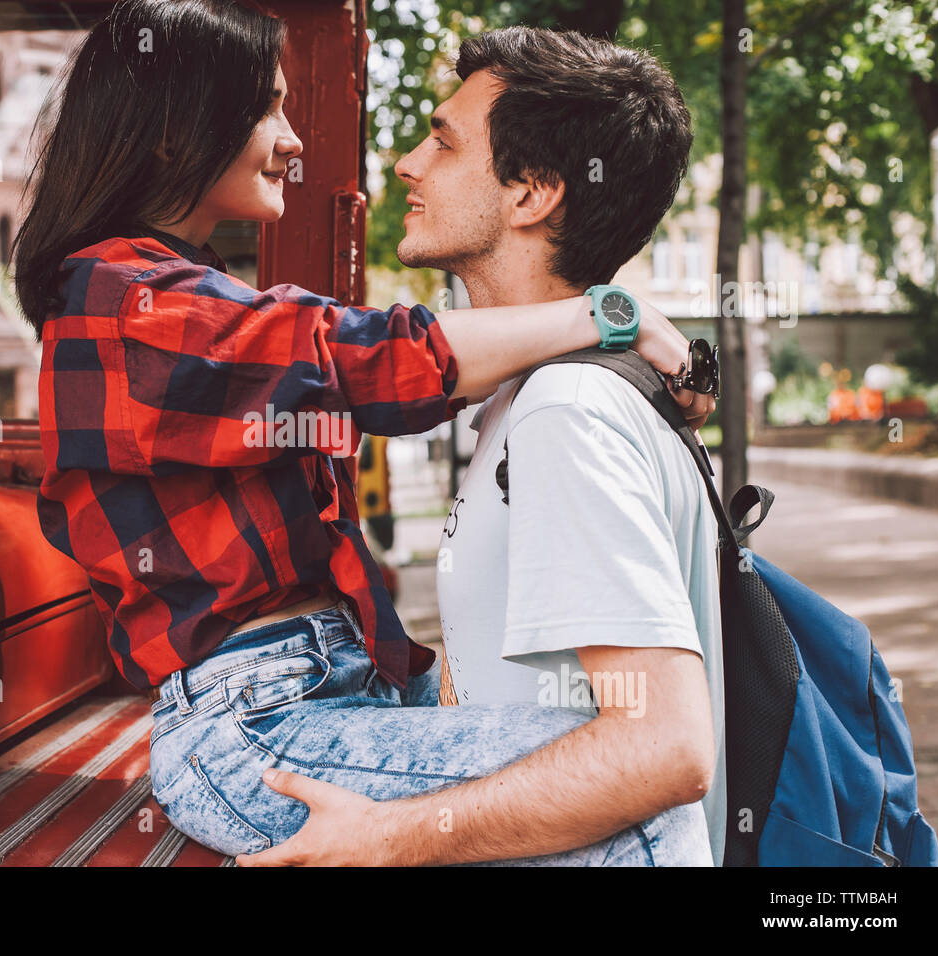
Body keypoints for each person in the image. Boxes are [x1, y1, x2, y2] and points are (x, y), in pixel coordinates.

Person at [19, 0, 713, 865]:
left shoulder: (181, 293)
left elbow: (371, 367)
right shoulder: (124, 302)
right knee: (632, 796)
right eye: (266, 108)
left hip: (326, 688)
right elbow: (371, 360)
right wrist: (611, 315)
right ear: (173, 132)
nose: (295, 138)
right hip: (256, 723)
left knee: (603, 769)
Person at [239, 26, 727, 867]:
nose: (408, 165)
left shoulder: (566, 411)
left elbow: (666, 746)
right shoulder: (540, 393)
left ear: (530, 193)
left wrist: (388, 838)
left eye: (443, 140)